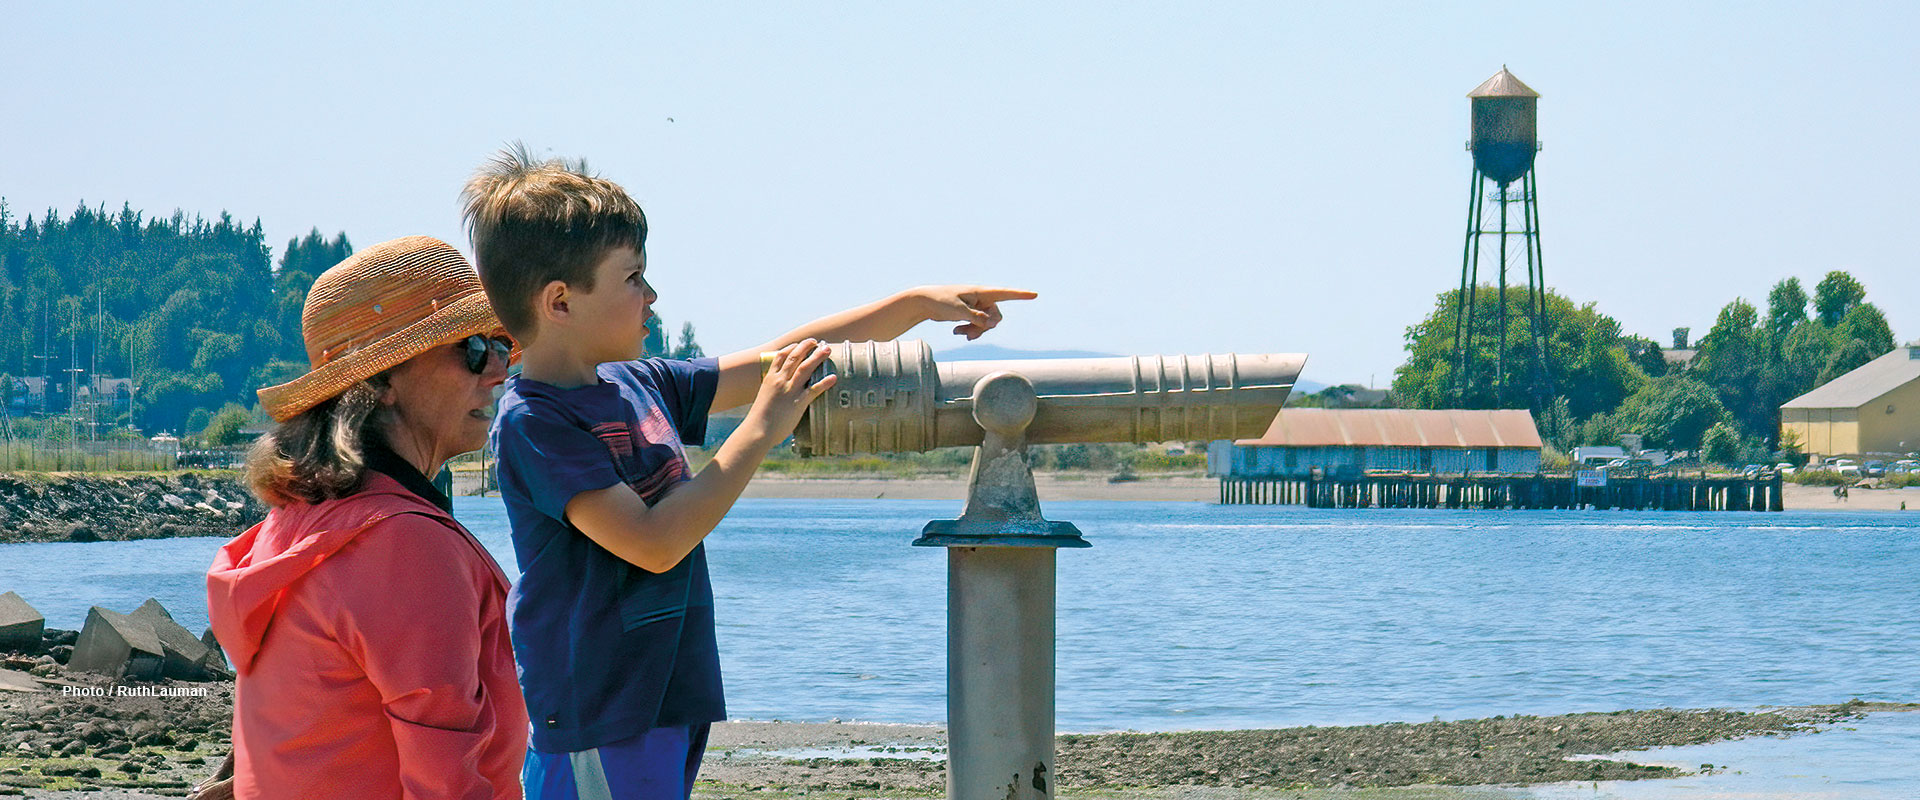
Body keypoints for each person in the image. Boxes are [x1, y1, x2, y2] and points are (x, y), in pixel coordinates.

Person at [461, 147, 1032, 799]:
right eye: (632, 278)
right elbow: (651, 542)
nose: (652, 296)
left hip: (666, 694)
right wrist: (763, 428)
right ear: (560, 302)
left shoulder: (641, 383)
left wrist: (916, 303)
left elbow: (785, 359)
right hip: (602, 708)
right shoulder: (537, 422)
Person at [203, 236, 529, 798]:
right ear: (380, 382)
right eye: (474, 347)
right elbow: (446, 781)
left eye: (500, 345)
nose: (498, 369)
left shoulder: (295, 522)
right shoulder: (404, 545)